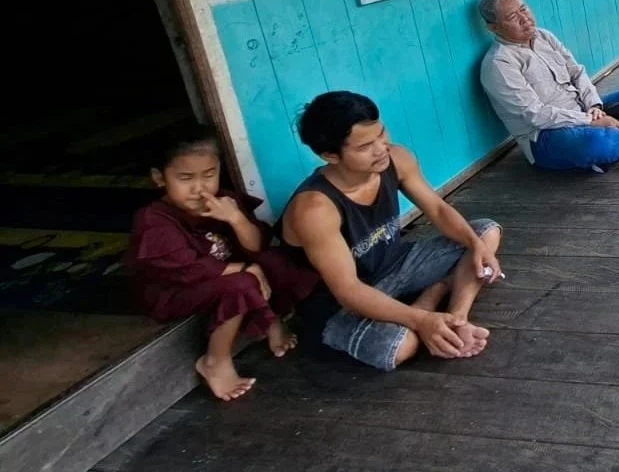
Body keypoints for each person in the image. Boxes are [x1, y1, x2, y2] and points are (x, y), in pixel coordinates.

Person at [280, 92, 502, 371]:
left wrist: (475, 245)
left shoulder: (396, 158)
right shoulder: (315, 208)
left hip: (397, 264)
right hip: (342, 305)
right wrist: (420, 321)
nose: (381, 148)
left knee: (485, 233)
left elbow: (438, 210)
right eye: (364, 147)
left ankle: (456, 318)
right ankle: (433, 298)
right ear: (330, 155)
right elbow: (347, 290)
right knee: (400, 347)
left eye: (381, 134)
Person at [127, 124, 319, 400]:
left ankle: (271, 320)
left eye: (209, 175)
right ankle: (215, 360)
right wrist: (245, 269)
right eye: (184, 178)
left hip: (223, 281)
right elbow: (187, 270)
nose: (199, 188)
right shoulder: (154, 219)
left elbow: (258, 246)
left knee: (275, 260)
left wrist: (236, 219)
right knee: (242, 282)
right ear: (159, 178)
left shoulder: (224, 201)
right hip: (175, 292)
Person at [479, 0, 619, 171]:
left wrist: (595, 107)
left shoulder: (544, 36)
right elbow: (535, 115)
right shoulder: (499, 63)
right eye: (513, 17)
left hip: (583, 111)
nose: (524, 18)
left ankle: (612, 143)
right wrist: (590, 121)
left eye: (524, 9)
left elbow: (576, 73)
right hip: (547, 136)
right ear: (493, 27)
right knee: (595, 143)